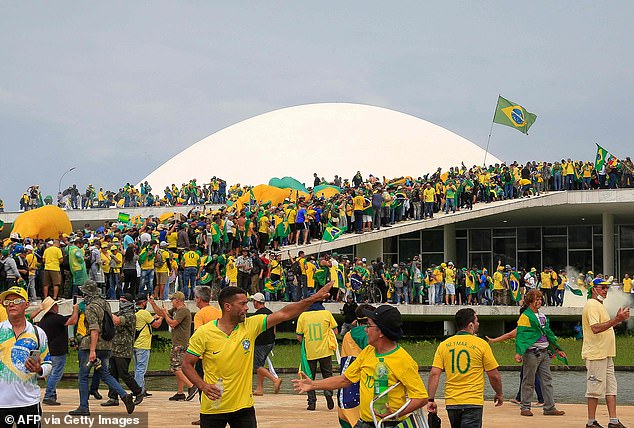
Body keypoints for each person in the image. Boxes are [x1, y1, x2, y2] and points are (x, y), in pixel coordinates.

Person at [182, 283, 333, 428]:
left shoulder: (250, 325)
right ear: (227, 307)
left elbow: (285, 313)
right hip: (213, 408)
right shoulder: (204, 333)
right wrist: (203, 386)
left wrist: (314, 298)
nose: (247, 307)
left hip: (243, 408)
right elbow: (187, 365)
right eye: (242, 304)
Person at [293, 304, 428, 428]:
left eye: (369, 325)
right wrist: (313, 385)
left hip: (389, 423)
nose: (365, 330)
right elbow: (344, 380)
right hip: (364, 422)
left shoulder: (403, 360)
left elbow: (420, 397)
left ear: (381, 332)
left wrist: (396, 414)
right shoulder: (368, 351)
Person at [427, 308, 503, 428]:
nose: (478, 324)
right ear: (471, 325)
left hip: (452, 402)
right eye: (477, 321)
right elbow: (493, 375)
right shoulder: (481, 344)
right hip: (473, 402)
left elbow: (434, 374)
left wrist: (430, 399)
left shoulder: (444, 345)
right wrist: (499, 393)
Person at [69, 280, 136, 416]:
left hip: (91, 346)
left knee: (83, 376)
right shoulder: (105, 304)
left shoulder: (91, 308)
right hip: (106, 345)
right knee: (105, 374)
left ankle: (83, 407)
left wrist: (92, 350)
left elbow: (94, 329)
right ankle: (124, 395)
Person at [0, 286, 52, 427]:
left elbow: (48, 363)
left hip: (29, 402)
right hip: (1, 403)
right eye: (7, 301)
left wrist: (39, 369)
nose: (11, 304)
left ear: (27, 304)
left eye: (16, 300)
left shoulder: (37, 333)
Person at [582, 278, 630, 428]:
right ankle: (591, 422)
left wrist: (617, 320)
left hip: (606, 354)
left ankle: (613, 420)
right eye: (602, 288)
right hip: (596, 354)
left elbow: (604, 327)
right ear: (594, 289)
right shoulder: (591, 305)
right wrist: (616, 319)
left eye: (606, 288)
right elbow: (595, 328)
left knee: (611, 388)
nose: (605, 290)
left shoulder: (599, 305)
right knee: (594, 389)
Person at [514, 289, 566, 417]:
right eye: (537, 299)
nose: (539, 301)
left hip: (544, 352)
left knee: (547, 380)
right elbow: (521, 335)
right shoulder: (525, 316)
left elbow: (549, 334)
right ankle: (525, 407)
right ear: (530, 301)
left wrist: (557, 349)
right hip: (532, 353)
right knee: (528, 381)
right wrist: (519, 352)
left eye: (540, 299)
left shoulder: (543, 316)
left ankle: (549, 407)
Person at [148, 291, 196, 401]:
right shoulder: (176, 310)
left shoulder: (184, 311)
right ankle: (180, 392)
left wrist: (165, 314)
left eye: (173, 300)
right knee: (179, 368)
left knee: (174, 367)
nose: (172, 302)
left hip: (180, 344)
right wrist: (153, 304)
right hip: (178, 343)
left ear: (178, 300)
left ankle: (191, 386)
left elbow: (172, 323)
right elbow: (161, 313)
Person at [32, 297, 79, 406]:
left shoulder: (44, 319)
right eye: (56, 305)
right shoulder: (57, 318)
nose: (58, 307)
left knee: (50, 374)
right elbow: (73, 321)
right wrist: (75, 310)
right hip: (57, 351)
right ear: (53, 307)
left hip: (48, 351)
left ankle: (52, 394)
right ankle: (49, 395)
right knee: (56, 373)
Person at [101, 293, 144, 407]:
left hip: (124, 350)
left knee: (123, 373)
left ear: (130, 303)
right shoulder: (119, 313)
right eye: (120, 300)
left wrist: (105, 307)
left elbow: (116, 320)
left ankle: (138, 392)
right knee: (112, 374)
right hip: (114, 348)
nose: (121, 303)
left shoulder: (131, 315)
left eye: (124, 301)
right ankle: (113, 397)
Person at [296, 300, 339, 411]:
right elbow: (336, 331)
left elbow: (299, 336)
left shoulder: (303, 316)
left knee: (309, 377)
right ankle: (328, 393)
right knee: (328, 375)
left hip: (310, 352)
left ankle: (312, 403)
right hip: (325, 351)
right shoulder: (326, 313)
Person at [251, 292, 282, 396]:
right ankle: (259, 388)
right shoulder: (270, 312)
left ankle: (275, 380)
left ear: (256, 302)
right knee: (261, 364)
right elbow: (274, 329)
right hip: (270, 342)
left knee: (256, 365)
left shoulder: (258, 315)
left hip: (261, 343)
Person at [132, 293, 163, 398]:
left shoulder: (134, 312)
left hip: (135, 344)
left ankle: (142, 389)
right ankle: (138, 391)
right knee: (141, 369)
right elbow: (156, 324)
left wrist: (154, 317)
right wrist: (162, 317)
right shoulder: (144, 313)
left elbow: (146, 321)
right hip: (143, 345)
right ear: (144, 303)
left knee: (138, 368)